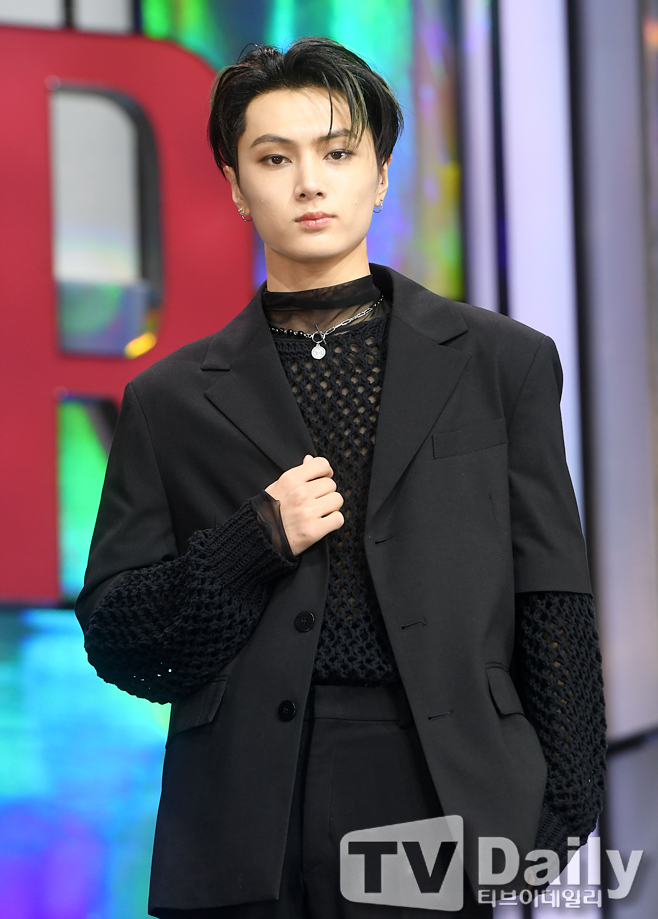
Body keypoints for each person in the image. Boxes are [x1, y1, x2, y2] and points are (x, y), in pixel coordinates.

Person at [75, 37, 607, 919]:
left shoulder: (500, 363)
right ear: (236, 185)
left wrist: (566, 804)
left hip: (442, 785)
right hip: (244, 811)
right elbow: (120, 635)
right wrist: (253, 541)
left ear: (381, 174)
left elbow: (552, 592)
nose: (309, 183)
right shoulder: (169, 399)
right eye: (274, 159)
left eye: (337, 152)